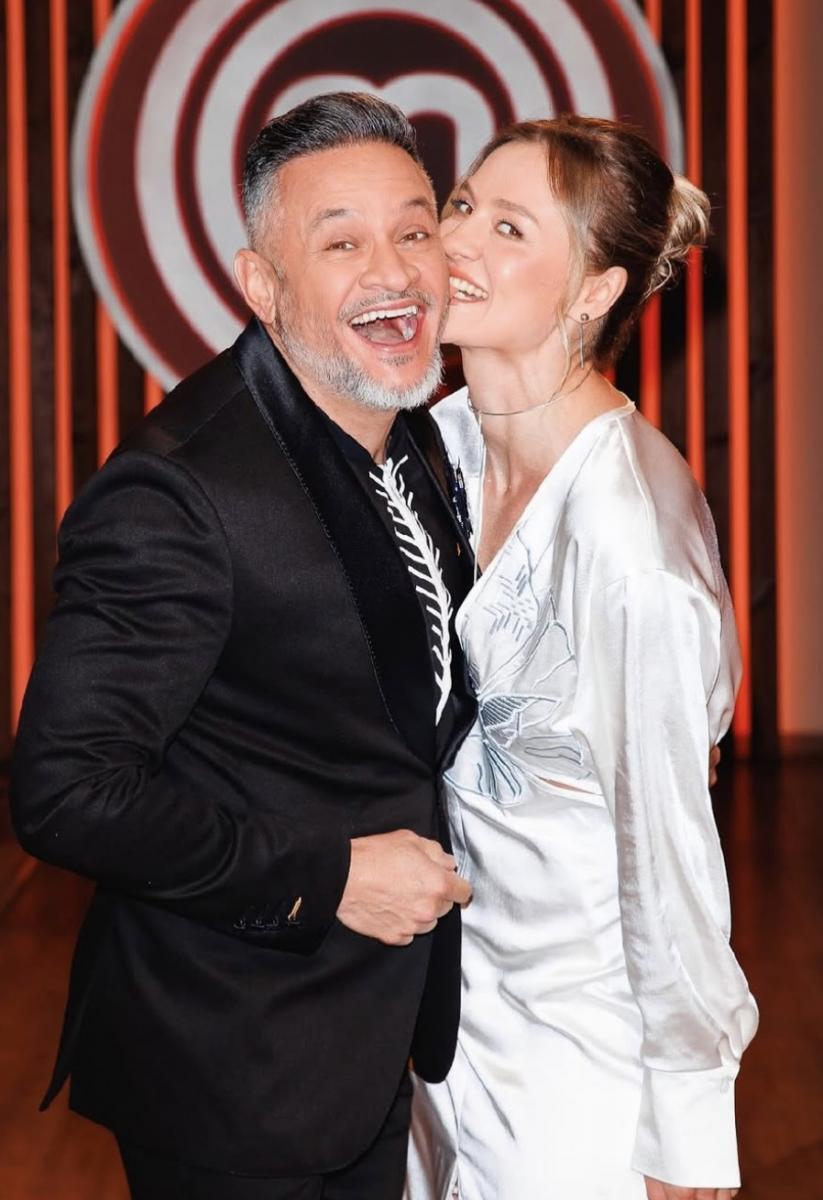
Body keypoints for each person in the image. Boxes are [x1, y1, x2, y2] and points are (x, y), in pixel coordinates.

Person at [10, 93, 477, 1200]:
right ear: (261, 286)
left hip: (375, 1042)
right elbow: (64, 789)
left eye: (414, 231)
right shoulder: (179, 490)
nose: (394, 272)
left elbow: (403, 707)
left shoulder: (410, 433)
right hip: (234, 1070)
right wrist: (329, 877)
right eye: (341, 243)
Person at [405, 116, 759, 1200]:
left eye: (510, 228)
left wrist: (684, 1123)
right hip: (436, 1040)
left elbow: (669, 855)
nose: (458, 241)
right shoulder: (430, 451)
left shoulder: (627, 542)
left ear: (595, 291)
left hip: (579, 1075)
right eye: (463, 205)